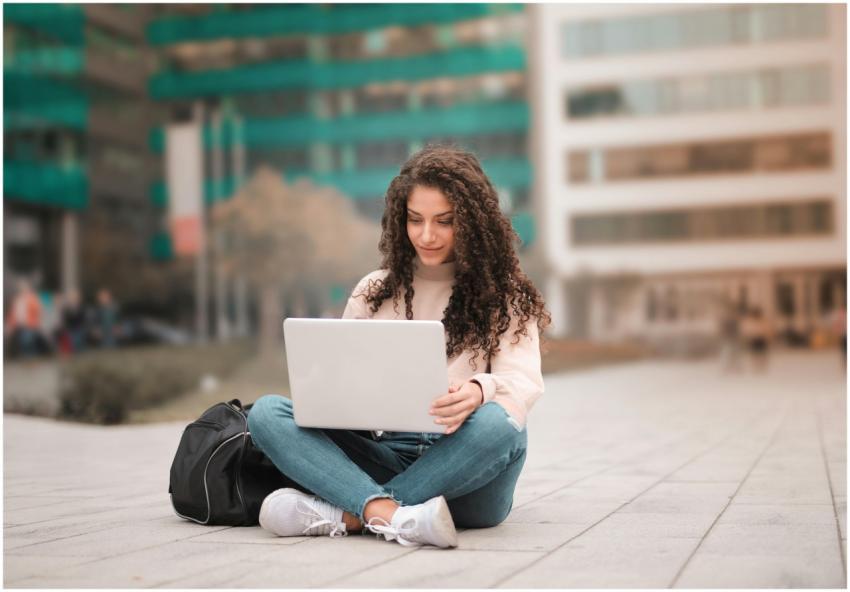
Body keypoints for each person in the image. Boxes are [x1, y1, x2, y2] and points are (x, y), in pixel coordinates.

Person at [248, 146, 550, 548]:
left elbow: (524, 383)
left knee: (504, 424)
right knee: (267, 413)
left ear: (473, 222)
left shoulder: (504, 295)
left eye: (444, 221)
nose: (426, 235)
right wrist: (327, 389)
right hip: (387, 454)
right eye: (415, 219)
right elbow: (337, 379)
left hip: (468, 472)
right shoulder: (374, 290)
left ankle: (354, 513)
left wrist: (481, 391)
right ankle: (396, 517)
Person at [5, 279, 43, 358]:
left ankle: (31, 356)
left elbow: (37, 311)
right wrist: (9, 325)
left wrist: (35, 323)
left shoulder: (32, 298)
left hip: (30, 325)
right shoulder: (17, 299)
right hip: (18, 326)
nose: (22, 289)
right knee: (21, 342)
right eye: (20, 288)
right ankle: (25, 357)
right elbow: (12, 314)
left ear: (28, 288)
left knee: (27, 340)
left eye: (24, 287)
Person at [62, 289, 88, 353]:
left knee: (79, 341)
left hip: (79, 327)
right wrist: (67, 327)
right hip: (71, 328)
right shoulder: (66, 308)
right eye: (72, 297)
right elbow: (65, 318)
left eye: (75, 297)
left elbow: (84, 318)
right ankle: (75, 352)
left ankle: (80, 352)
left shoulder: (82, 307)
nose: (73, 299)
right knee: (73, 342)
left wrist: (83, 325)